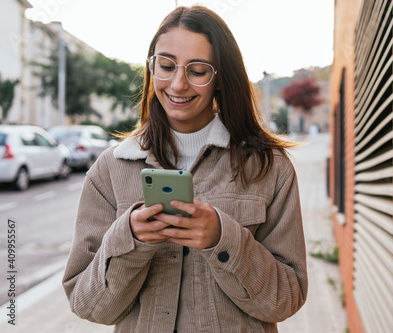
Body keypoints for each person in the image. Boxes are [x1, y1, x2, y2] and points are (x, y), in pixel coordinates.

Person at [62, 5, 307, 333]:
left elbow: (287, 299)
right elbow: (89, 306)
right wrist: (130, 240)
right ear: (152, 68)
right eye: (165, 66)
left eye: (197, 70)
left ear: (220, 77)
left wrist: (223, 239)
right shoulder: (110, 169)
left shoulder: (269, 168)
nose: (177, 84)